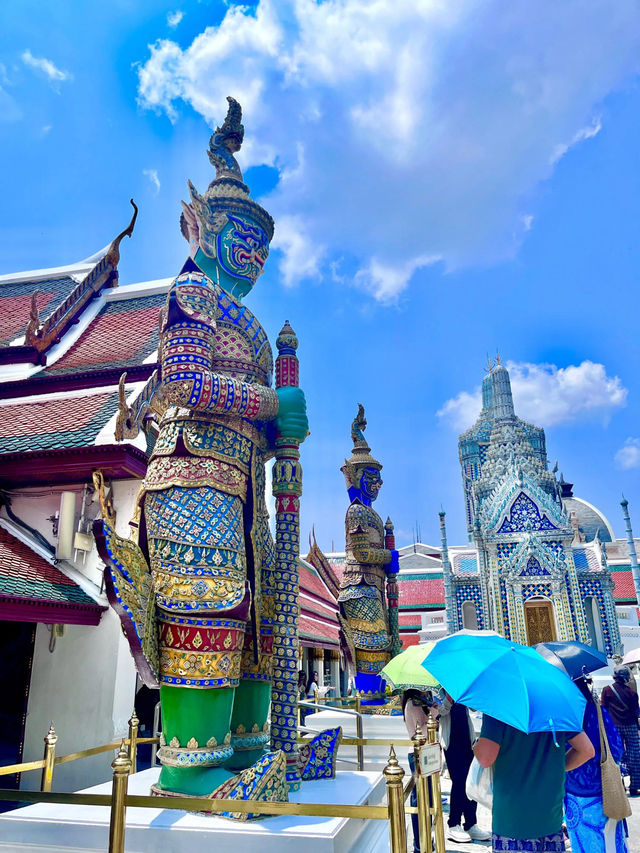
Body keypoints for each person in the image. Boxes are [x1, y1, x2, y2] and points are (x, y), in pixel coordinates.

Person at [474, 717, 594, 852]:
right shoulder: (557, 706)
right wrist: (555, 766)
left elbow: (485, 758)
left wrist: (475, 745)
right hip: (550, 817)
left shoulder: (499, 706)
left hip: (511, 818)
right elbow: (587, 750)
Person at [564, 675, 628, 853]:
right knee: (611, 844)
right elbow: (616, 749)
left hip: (575, 795)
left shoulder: (565, 718)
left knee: (583, 844)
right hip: (606, 791)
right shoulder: (599, 713)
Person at [439, 692, 490, 842]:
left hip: (467, 740)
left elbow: (474, 709)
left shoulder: (462, 686)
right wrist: (449, 698)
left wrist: (471, 696)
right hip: (450, 742)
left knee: (471, 781)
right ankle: (453, 823)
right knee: (459, 782)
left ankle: (470, 823)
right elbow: (438, 712)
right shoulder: (438, 690)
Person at [403, 689, 434, 853]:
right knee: (420, 801)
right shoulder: (411, 705)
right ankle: (419, 845)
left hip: (429, 754)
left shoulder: (423, 702)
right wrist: (433, 714)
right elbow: (417, 734)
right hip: (418, 755)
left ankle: (427, 839)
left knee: (429, 800)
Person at [601, 665, 640, 796]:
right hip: (631, 726)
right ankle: (635, 786)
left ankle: (620, 786)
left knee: (617, 755)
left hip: (614, 727)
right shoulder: (632, 693)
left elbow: (604, 709)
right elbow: (636, 711)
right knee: (634, 756)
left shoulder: (607, 690)